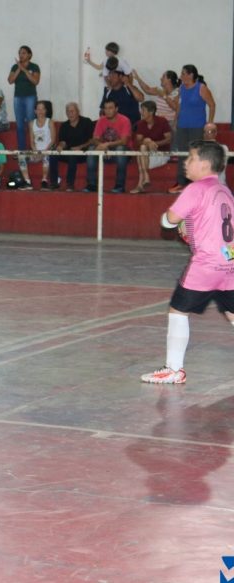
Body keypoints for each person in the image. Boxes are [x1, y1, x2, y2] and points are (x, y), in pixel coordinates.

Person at [141, 140, 234, 384]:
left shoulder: (195, 189)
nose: (185, 163)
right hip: (230, 261)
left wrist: (174, 221)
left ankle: (174, 370)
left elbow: (169, 220)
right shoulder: (225, 190)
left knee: (178, 310)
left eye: (191, 158)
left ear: (204, 164)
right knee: (232, 313)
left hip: (207, 263)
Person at [169, 65, 216, 193]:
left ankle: (196, 183)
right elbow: (180, 106)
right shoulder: (181, 88)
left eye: (183, 74)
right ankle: (181, 182)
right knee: (182, 155)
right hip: (182, 126)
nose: (181, 76)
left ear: (191, 75)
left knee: (196, 155)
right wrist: (175, 120)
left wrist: (209, 123)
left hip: (197, 127)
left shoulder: (201, 88)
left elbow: (212, 105)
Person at [84, 98, 131, 194]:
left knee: (120, 149)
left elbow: (124, 141)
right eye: (105, 108)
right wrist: (102, 146)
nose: (107, 111)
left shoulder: (125, 120)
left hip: (122, 152)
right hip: (105, 152)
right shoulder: (101, 120)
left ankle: (119, 186)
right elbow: (95, 139)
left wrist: (107, 145)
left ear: (116, 109)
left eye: (110, 108)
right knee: (91, 149)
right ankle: (92, 185)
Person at [48, 102, 94, 191]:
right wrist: (60, 146)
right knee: (53, 154)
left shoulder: (86, 122)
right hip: (69, 152)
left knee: (72, 155)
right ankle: (54, 183)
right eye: (68, 112)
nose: (70, 114)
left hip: (83, 152)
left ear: (78, 111)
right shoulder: (64, 125)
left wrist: (80, 147)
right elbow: (63, 141)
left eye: (72, 111)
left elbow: (92, 140)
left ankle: (70, 184)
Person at [130, 101, 172, 193]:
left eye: (143, 110)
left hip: (162, 153)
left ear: (151, 111)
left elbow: (169, 139)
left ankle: (140, 184)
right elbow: (138, 141)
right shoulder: (141, 123)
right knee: (142, 147)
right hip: (147, 154)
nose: (141, 112)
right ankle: (145, 177)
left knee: (141, 151)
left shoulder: (162, 121)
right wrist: (147, 142)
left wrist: (154, 143)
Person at [7, 45, 40, 151]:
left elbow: (35, 81)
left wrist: (24, 70)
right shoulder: (14, 67)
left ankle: (33, 148)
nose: (21, 55)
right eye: (20, 53)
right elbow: (10, 81)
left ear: (29, 55)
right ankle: (22, 151)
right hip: (18, 98)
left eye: (24, 53)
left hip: (30, 97)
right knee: (20, 125)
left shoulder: (34, 67)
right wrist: (19, 69)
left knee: (31, 123)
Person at [18, 100, 55, 190]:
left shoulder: (50, 122)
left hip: (47, 150)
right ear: (35, 111)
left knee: (46, 156)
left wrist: (44, 152)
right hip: (36, 152)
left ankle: (44, 181)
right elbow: (32, 141)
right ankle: (27, 182)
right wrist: (35, 152)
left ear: (46, 110)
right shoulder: (31, 123)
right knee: (21, 156)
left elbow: (53, 140)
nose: (40, 111)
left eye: (43, 109)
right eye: (38, 109)